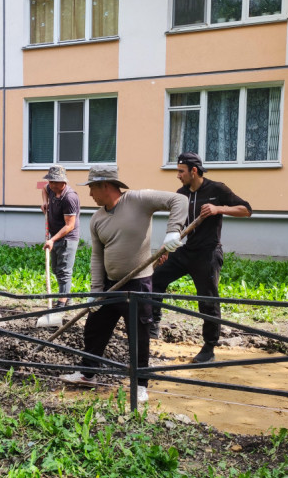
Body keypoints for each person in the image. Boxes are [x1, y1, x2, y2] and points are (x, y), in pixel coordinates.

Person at [60, 165, 187, 402]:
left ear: (105, 185)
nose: (89, 195)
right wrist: (96, 292)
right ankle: (88, 374)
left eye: (92, 188)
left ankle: (140, 384)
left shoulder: (139, 200)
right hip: (110, 286)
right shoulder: (97, 219)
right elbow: (97, 257)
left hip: (138, 285)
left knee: (138, 335)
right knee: (94, 329)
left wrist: (174, 231)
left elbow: (179, 200)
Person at [151, 152, 252, 363]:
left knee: (208, 300)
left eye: (181, 171)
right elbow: (177, 224)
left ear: (193, 171)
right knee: (156, 277)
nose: (178, 175)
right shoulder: (181, 194)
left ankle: (209, 348)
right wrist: (167, 247)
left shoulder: (217, 189)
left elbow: (246, 210)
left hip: (208, 253)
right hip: (187, 250)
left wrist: (218, 208)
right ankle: (153, 326)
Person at [40, 165, 80, 308]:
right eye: (50, 181)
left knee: (64, 271)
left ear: (64, 182)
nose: (51, 184)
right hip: (55, 236)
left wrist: (52, 240)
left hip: (67, 239)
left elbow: (69, 225)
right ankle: (67, 296)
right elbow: (44, 188)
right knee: (56, 269)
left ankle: (61, 303)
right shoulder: (51, 188)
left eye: (55, 182)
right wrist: (45, 202)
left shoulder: (69, 198)